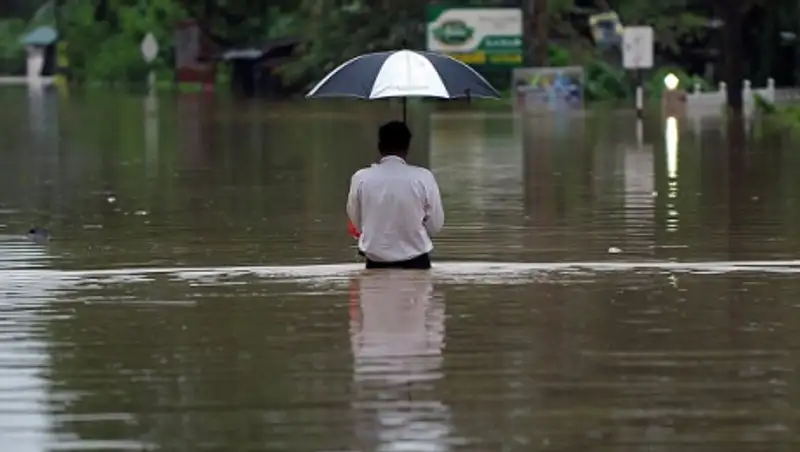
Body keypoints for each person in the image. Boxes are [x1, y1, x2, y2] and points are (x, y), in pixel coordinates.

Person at [346, 121, 444, 269]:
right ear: (407, 148)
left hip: (376, 264)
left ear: (379, 147)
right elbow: (435, 225)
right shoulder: (423, 177)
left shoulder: (361, 178)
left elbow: (357, 220)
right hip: (417, 262)